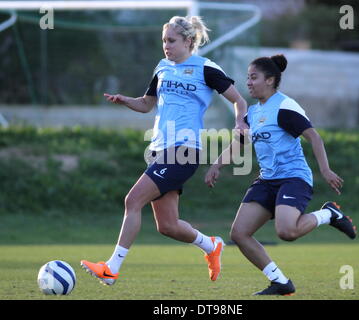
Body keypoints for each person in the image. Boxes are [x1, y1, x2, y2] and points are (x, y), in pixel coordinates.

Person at [80, 16, 248, 285]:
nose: (166, 46)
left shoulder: (206, 68)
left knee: (132, 201)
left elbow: (238, 100)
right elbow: (147, 104)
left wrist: (240, 120)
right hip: (160, 150)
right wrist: (126, 101)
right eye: (164, 41)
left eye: (171, 41)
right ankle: (211, 245)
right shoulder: (162, 68)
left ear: (189, 42)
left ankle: (111, 268)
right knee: (167, 226)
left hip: (185, 151)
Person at [205, 54, 357, 296]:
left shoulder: (285, 107)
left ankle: (329, 214)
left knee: (287, 232)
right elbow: (238, 144)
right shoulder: (252, 113)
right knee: (239, 234)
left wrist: (325, 170)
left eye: (254, 77)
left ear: (270, 80)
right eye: (248, 78)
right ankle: (280, 281)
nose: (249, 82)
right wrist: (217, 165)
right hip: (267, 180)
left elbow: (314, 137)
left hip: (293, 178)